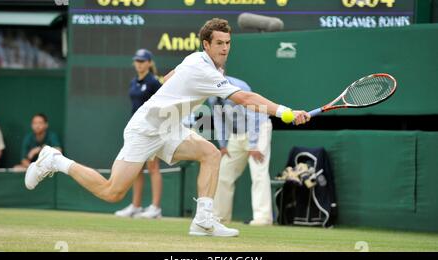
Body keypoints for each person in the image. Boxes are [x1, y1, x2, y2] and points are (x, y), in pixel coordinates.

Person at [24, 18, 311, 237]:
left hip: (169, 126)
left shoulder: (199, 61)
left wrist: (172, 95)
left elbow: (173, 75)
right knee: (113, 192)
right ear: (206, 45)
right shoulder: (204, 69)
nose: (225, 48)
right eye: (219, 43)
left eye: (228, 43)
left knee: (211, 154)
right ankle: (56, 160)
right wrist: (285, 112)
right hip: (146, 129)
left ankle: (203, 220)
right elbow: (246, 98)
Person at [210, 76, 273, 226]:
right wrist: (223, 144)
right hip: (236, 135)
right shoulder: (211, 92)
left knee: (258, 172)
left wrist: (253, 145)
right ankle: (220, 217)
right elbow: (218, 119)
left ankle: (263, 218)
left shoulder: (239, 86)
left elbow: (253, 115)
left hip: (258, 130)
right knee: (223, 174)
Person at [115, 49, 163, 219]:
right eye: (137, 60)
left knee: (153, 167)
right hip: (136, 130)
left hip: (152, 130)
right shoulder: (133, 82)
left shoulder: (154, 83)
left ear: (149, 63)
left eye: (143, 61)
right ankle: (136, 206)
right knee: (136, 168)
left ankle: (156, 208)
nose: (139, 64)